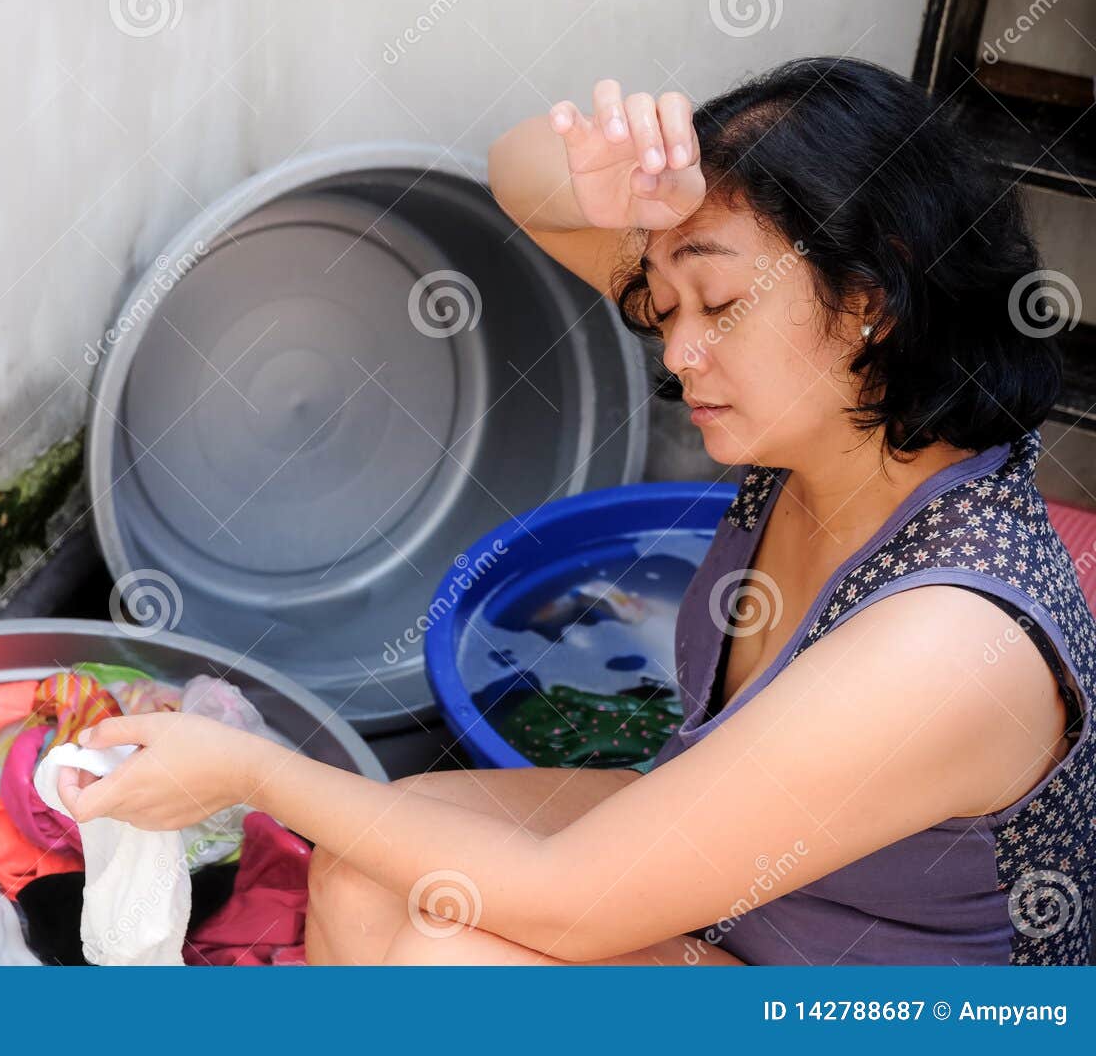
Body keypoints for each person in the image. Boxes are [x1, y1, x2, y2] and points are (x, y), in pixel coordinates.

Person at [57, 56, 1096, 965]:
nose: (680, 352)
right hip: (762, 898)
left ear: (870, 300)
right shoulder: (837, 424)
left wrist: (250, 769)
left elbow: (573, 906)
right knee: (369, 864)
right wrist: (613, 184)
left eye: (721, 305)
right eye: (663, 300)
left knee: (450, 957)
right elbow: (519, 171)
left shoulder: (950, 642)